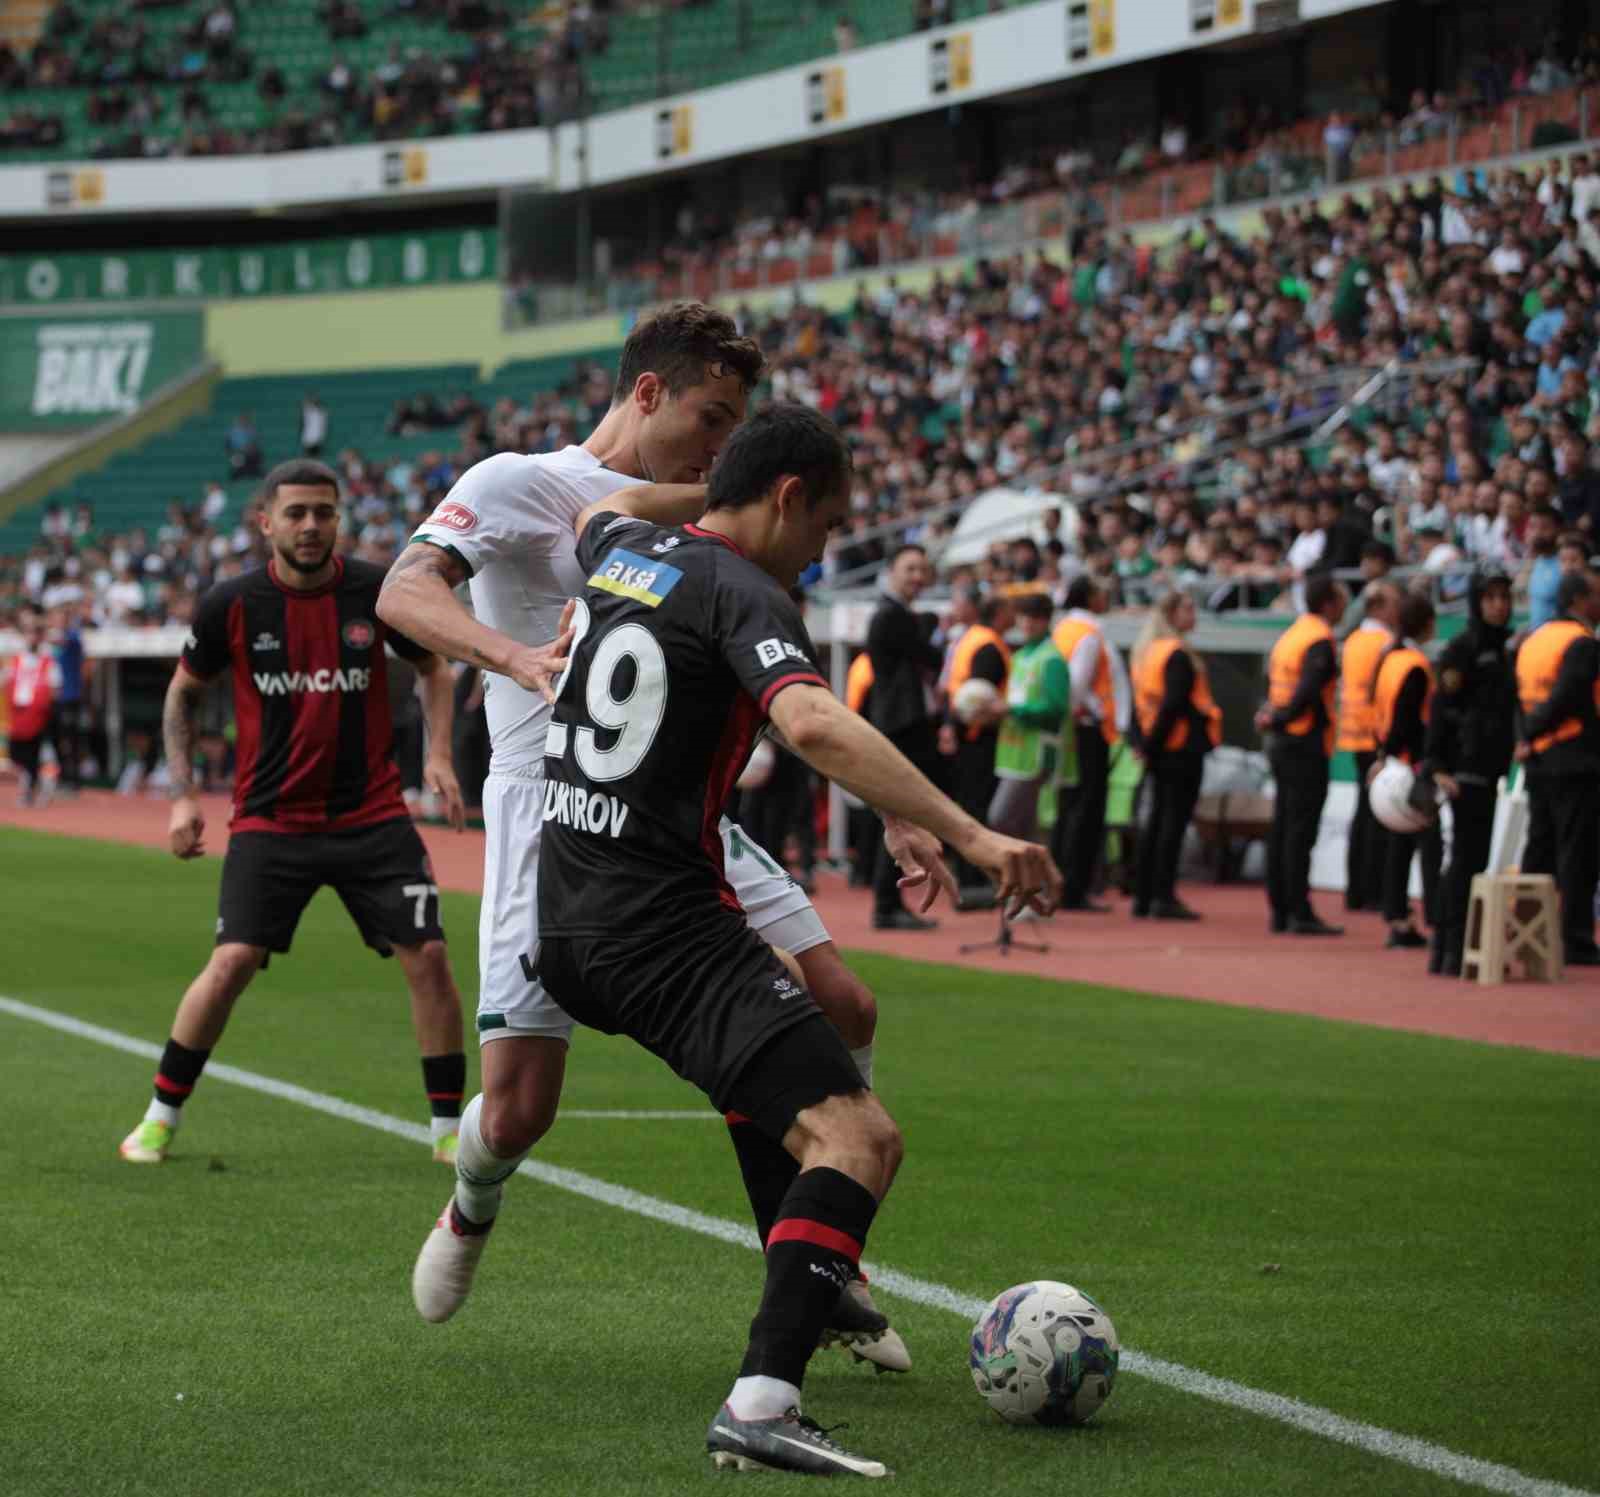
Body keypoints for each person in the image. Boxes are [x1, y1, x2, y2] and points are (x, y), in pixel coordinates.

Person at [380, 304, 915, 1370]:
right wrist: (522, 662)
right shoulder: (513, 484)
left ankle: (815, 1250)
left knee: (842, 999)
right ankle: (472, 1203)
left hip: (672, 805)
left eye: (737, 426)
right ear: (647, 392)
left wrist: (894, 800)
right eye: (710, 415)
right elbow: (403, 591)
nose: (721, 442)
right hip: (550, 802)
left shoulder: (697, 511)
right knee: (523, 1106)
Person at [534, 403, 1059, 1476]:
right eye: (822, 526)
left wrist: (898, 816)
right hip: (659, 924)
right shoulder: (749, 590)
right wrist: (971, 833)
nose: (821, 551)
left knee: (817, 1016)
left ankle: (810, 1263)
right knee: (860, 1141)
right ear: (785, 500)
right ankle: (764, 1397)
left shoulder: (625, 548)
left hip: (567, 913)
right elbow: (811, 722)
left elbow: (608, 501)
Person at [116, 459, 471, 1166]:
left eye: (324, 512)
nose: (311, 526)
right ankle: (160, 1114)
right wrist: (184, 794)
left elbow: (434, 666)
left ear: (340, 517)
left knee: (429, 956)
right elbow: (183, 693)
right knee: (232, 960)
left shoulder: (378, 590)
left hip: (372, 817)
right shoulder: (232, 604)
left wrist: (437, 755)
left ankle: (447, 1130)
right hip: (271, 821)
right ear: (266, 522)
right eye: (297, 513)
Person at [1425, 571, 1515, 976]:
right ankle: (1448, 947)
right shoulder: (1462, 649)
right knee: (1462, 861)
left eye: (1504, 597)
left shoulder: (1504, 649)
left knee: (1472, 861)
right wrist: (1438, 767)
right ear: (1477, 603)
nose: (1500, 605)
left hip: (1488, 771)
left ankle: (1455, 948)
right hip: (1462, 772)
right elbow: (1441, 712)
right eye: (1491, 598)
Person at [1515, 567, 1600, 966]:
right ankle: (1575, 938)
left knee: (1540, 846)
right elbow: (1567, 697)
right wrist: (1534, 731)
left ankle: (1527, 932)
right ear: (1579, 600)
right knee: (1576, 852)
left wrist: (1526, 738)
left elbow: (1521, 698)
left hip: (1538, 758)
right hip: (1573, 757)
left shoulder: (1534, 641)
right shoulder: (1582, 643)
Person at [1256, 573, 1348, 936]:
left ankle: (1280, 909)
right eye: (1340, 599)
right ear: (1328, 602)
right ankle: (1299, 910)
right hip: (1304, 744)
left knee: (1282, 827)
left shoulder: (1291, 634)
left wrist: (1272, 717)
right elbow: (1307, 692)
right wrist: (1282, 717)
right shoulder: (1319, 640)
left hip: (1283, 742)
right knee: (1299, 831)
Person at [864, 544, 944, 930]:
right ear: (892, 570)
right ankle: (888, 903)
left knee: (903, 819)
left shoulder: (899, 615)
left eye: (922, 570)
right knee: (900, 820)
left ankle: (889, 902)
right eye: (910, 568)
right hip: (901, 730)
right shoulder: (892, 617)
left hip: (904, 726)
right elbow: (932, 657)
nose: (917, 577)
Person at [1131, 590, 1219, 921]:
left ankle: (1144, 895)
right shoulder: (1177, 655)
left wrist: (1143, 745)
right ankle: (1162, 896)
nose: (1193, 614)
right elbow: (1173, 706)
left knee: (1155, 822)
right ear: (1172, 614)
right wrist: (1153, 745)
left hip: (1159, 747)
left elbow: (1142, 707)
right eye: (1188, 608)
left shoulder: (1147, 652)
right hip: (1179, 748)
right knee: (1171, 823)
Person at [1371, 592, 1442, 951]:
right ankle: (1436, 918)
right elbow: (1407, 719)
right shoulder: (1414, 664)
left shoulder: (1389, 658)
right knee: (1430, 843)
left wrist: (1382, 755)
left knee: (1398, 844)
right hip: (1412, 764)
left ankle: (1397, 917)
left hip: (1392, 759)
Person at [939, 586, 1011, 903]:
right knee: (977, 808)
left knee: (967, 806)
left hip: (964, 733)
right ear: (997, 613)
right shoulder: (988, 644)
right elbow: (980, 696)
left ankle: (968, 880)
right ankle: (974, 883)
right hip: (979, 736)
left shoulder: (967, 638)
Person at [1051, 575, 1119, 911]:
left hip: (1070, 728)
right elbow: (1076, 686)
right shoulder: (1088, 634)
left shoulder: (1062, 628)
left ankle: (1062, 882)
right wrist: (1094, 709)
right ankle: (1074, 888)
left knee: (1068, 805)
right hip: (1087, 728)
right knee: (1085, 809)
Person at [1335, 580, 1400, 913]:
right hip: (1376, 735)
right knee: (1377, 815)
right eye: (1392, 602)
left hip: (1354, 733)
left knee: (1364, 813)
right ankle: (1371, 889)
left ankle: (1356, 889)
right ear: (1377, 607)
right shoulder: (1385, 643)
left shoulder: (1354, 641)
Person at [987, 593, 1069, 843]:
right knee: (1025, 826)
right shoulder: (1020, 657)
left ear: (1046, 621)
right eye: (1023, 617)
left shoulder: (1052, 659)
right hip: (1015, 751)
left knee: (1003, 818)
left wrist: (1012, 710)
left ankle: (1032, 878)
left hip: (1038, 753)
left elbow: (1056, 709)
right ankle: (1031, 881)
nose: (1027, 624)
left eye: (1035, 618)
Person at [2, 610, 61, 807]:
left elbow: (55, 686)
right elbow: (5, 680)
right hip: (20, 715)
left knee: (41, 755)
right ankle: (33, 785)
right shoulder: (17, 659)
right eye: (29, 633)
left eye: (36, 633)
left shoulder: (47, 660)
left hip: (41, 716)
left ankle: (39, 787)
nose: (32, 637)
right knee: (18, 755)